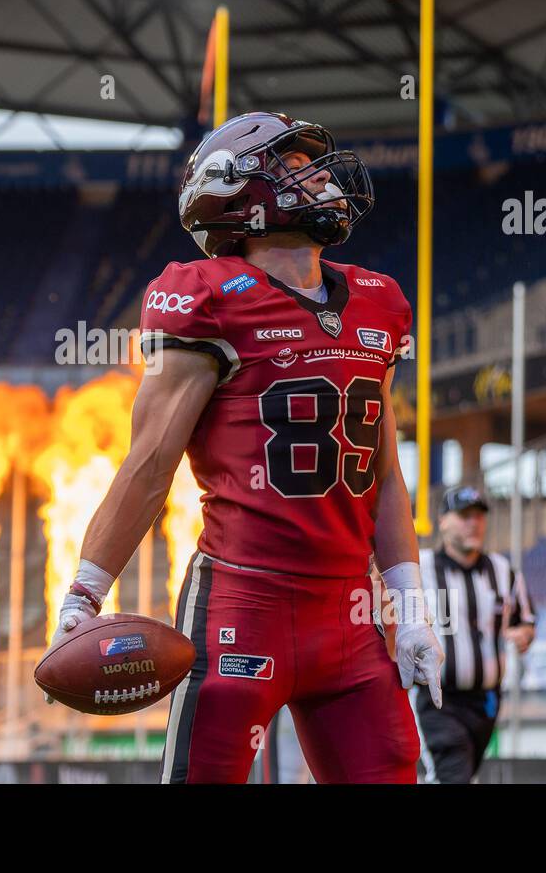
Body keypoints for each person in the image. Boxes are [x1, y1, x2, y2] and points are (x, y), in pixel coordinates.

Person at [45, 112, 441, 783]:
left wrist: (413, 605)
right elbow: (149, 466)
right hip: (242, 601)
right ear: (236, 190)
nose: (316, 176)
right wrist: (85, 592)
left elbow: (384, 475)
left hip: (349, 610)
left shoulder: (379, 302)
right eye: (289, 164)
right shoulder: (207, 299)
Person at [414, 485, 535, 783]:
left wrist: (524, 635)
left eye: (479, 516)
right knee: (451, 774)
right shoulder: (421, 568)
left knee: (460, 776)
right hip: (438, 700)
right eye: (465, 515)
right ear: (443, 520)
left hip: (486, 702)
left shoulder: (503, 571)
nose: (474, 523)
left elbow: (527, 620)